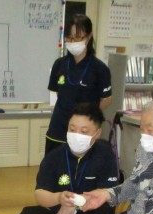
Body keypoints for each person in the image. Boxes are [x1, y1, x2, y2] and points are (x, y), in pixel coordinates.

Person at [9, 103, 118, 214]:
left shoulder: (105, 155)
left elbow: (106, 192)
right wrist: (60, 198)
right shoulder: (54, 157)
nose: (77, 135)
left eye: (84, 132)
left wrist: (75, 203)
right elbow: (40, 194)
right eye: (72, 129)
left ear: (97, 134)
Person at [45, 14, 112, 154]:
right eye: (69, 38)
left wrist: (88, 116)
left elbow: (106, 100)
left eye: (77, 38)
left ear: (89, 36)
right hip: (58, 129)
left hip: (84, 132)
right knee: (54, 164)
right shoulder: (59, 64)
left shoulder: (99, 68)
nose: (72, 42)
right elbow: (58, 93)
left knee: (82, 165)